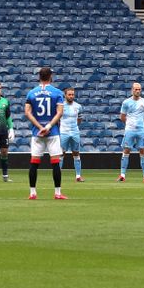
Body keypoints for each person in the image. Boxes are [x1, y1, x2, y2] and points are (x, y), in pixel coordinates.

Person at [25, 67, 66, 200]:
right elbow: (60, 112)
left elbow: (27, 112)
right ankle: (57, 193)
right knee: (55, 162)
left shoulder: (31, 93)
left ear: (39, 77)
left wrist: (39, 127)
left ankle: (32, 193)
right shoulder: (57, 93)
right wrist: (48, 126)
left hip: (37, 133)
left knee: (34, 163)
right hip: (52, 132)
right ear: (50, 77)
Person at [118, 83, 144, 182]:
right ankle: (122, 175)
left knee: (143, 151)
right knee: (126, 150)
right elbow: (122, 117)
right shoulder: (126, 102)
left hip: (141, 130)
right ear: (132, 90)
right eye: (136, 89)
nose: (137, 91)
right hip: (130, 130)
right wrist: (129, 124)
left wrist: (142, 123)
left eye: (139, 89)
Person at [60, 87, 84, 182]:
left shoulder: (78, 106)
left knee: (76, 153)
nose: (71, 96)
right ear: (65, 95)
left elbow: (79, 119)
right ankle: (58, 174)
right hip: (63, 132)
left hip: (74, 132)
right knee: (61, 153)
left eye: (72, 94)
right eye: (69, 94)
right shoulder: (61, 106)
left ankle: (78, 176)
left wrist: (74, 127)